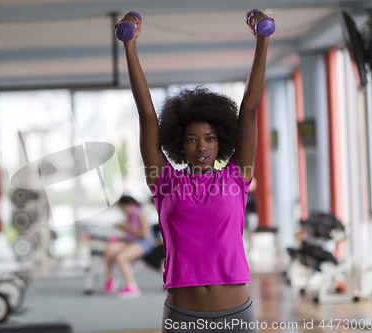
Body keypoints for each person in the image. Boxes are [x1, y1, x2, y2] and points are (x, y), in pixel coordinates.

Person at [116, 9, 272, 332]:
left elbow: (250, 108)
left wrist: (262, 41)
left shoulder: (237, 177)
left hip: (236, 315)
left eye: (209, 139)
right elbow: (146, 114)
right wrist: (129, 48)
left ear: (220, 143)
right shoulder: (164, 182)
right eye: (192, 139)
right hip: (182, 317)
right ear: (180, 145)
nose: (201, 147)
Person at [103, 195, 155, 298]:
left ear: (127, 205)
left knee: (120, 257)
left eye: (122, 208)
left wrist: (127, 228)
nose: (122, 211)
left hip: (143, 243)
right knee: (109, 249)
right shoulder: (130, 215)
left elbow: (144, 234)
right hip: (131, 241)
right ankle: (110, 278)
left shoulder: (140, 214)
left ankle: (132, 286)